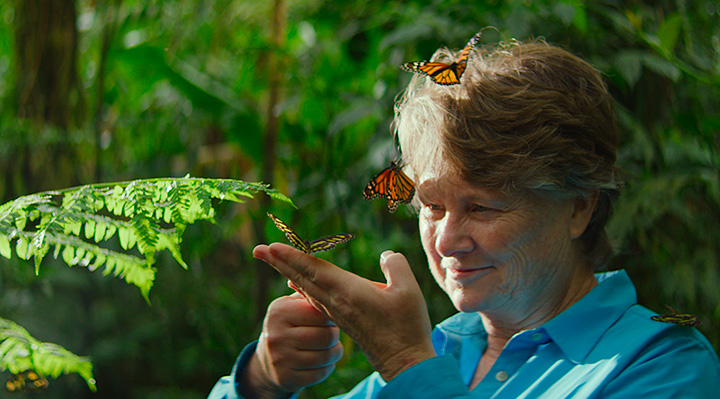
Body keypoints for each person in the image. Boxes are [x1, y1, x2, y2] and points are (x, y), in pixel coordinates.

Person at [208, 37, 720, 399]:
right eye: (432, 206)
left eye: (482, 207)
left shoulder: (663, 366)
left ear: (578, 208)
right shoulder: (447, 346)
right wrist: (261, 381)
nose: (447, 240)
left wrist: (406, 364)